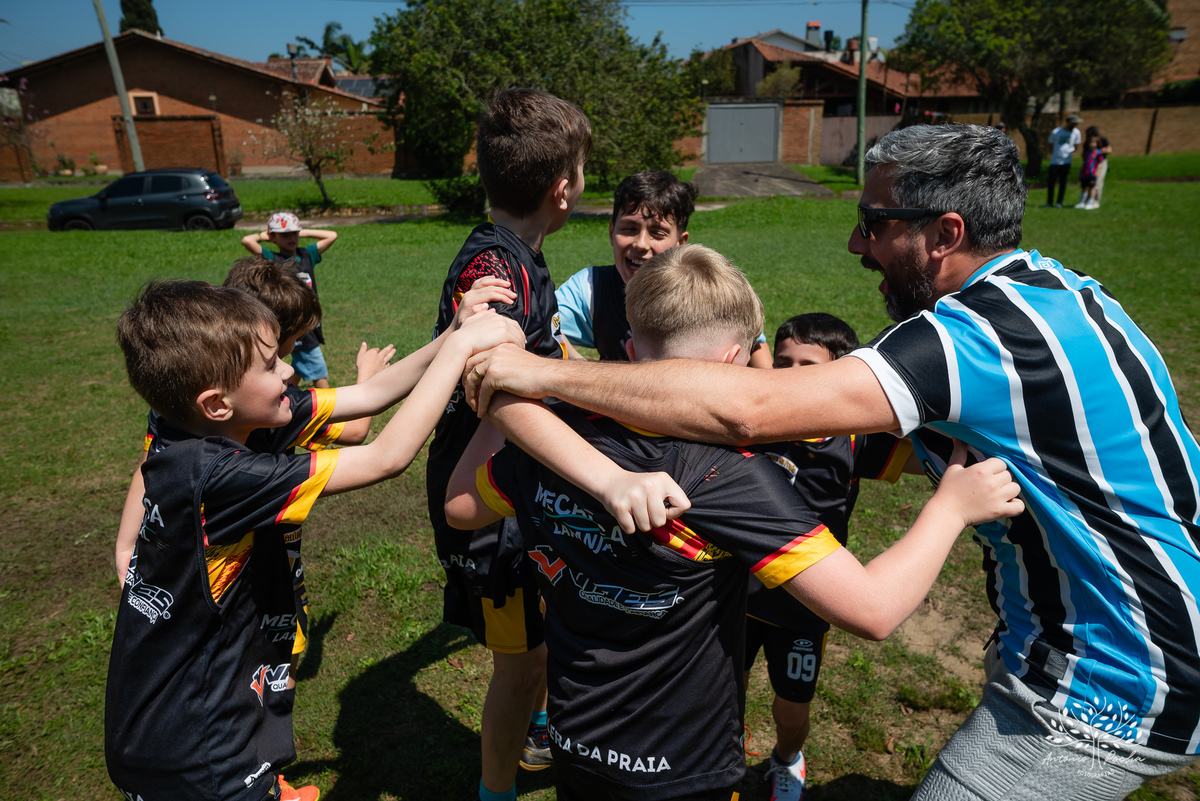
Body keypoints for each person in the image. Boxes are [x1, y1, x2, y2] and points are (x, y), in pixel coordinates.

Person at [464, 123, 1200, 800]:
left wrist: (544, 375)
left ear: (946, 233)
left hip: (1112, 679)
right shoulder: (1060, 292)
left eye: (875, 224)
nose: (855, 243)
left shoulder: (969, 340)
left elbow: (747, 410)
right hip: (1113, 644)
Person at [446, 244, 1022, 801]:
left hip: (574, 741)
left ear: (628, 344)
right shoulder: (729, 476)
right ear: (735, 361)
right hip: (681, 768)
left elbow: (460, 507)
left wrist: (496, 403)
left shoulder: (552, 440)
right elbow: (871, 610)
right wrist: (950, 509)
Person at [106, 280, 523, 801]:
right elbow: (385, 457)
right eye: (268, 365)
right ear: (216, 402)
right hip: (200, 751)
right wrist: (462, 350)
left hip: (157, 720)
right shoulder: (218, 476)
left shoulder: (210, 426)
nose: (287, 368)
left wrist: (453, 332)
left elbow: (370, 395)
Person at [424, 87, 591, 801]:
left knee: (542, 643)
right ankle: (497, 790)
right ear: (564, 189)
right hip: (490, 508)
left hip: (519, 491)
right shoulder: (494, 274)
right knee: (518, 666)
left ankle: (540, 726)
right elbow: (491, 385)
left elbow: (544, 356)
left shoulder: (519, 253)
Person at [749, 312, 915, 801]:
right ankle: (720, 758)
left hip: (807, 602)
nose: (793, 375)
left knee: (792, 703)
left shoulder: (857, 436)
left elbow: (928, 457)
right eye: (784, 363)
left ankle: (785, 759)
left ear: (838, 374)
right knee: (722, 690)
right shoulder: (753, 421)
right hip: (738, 592)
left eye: (809, 365)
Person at [554, 171, 772, 367]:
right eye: (629, 228)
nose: (641, 244)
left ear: (680, 241)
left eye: (658, 233)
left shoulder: (705, 288)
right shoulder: (592, 288)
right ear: (612, 231)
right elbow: (540, 323)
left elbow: (755, 345)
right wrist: (584, 366)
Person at [241, 212, 339, 388]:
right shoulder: (273, 259)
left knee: (301, 364)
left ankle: (285, 388)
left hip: (310, 318)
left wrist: (302, 231)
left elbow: (332, 235)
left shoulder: (307, 254)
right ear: (274, 237)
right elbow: (247, 241)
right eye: (284, 235)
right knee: (318, 369)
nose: (291, 237)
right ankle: (333, 412)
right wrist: (265, 236)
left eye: (294, 233)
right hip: (294, 320)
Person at [1045, 113, 1082, 208]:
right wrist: (1056, 154)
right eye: (1074, 123)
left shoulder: (1076, 132)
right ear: (1068, 122)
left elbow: (1076, 145)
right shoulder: (1056, 132)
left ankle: (1059, 202)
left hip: (1067, 161)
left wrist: (1069, 152)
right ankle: (1049, 202)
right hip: (1055, 161)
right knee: (1051, 182)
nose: (1075, 125)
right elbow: (1050, 145)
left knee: (1063, 182)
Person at [1074, 130, 1106, 210]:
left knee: (1092, 187)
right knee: (1084, 188)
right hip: (1085, 173)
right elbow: (1084, 163)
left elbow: (1100, 163)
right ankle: (1082, 202)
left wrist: (1096, 172)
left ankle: (1091, 202)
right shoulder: (1087, 153)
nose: (1092, 144)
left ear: (1097, 144)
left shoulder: (1098, 153)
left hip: (1092, 173)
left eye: (1094, 143)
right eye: (1091, 143)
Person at [1085, 125, 1113, 209]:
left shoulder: (1103, 140)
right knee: (1090, 182)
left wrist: (1099, 151)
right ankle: (1088, 200)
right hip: (1090, 163)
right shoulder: (1087, 142)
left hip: (1101, 163)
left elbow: (1109, 150)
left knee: (1097, 182)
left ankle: (1096, 201)